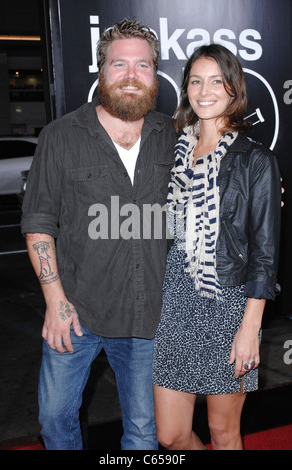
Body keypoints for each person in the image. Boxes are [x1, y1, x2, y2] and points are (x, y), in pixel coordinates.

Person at [21, 19, 177, 450]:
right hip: (76, 311)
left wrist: (260, 191)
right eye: (119, 64)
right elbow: (38, 222)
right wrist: (55, 303)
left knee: (144, 433)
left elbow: (220, 179)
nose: (131, 75)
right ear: (100, 71)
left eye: (142, 66)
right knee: (54, 420)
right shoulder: (60, 136)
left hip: (147, 315)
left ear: (155, 73)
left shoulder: (173, 136)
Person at [152, 44, 281, 450]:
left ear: (233, 89)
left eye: (216, 81)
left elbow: (264, 253)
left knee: (225, 434)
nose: (204, 91)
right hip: (175, 300)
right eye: (195, 81)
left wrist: (250, 329)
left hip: (227, 304)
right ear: (186, 88)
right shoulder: (174, 153)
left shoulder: (254, 160)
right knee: (170, 435)